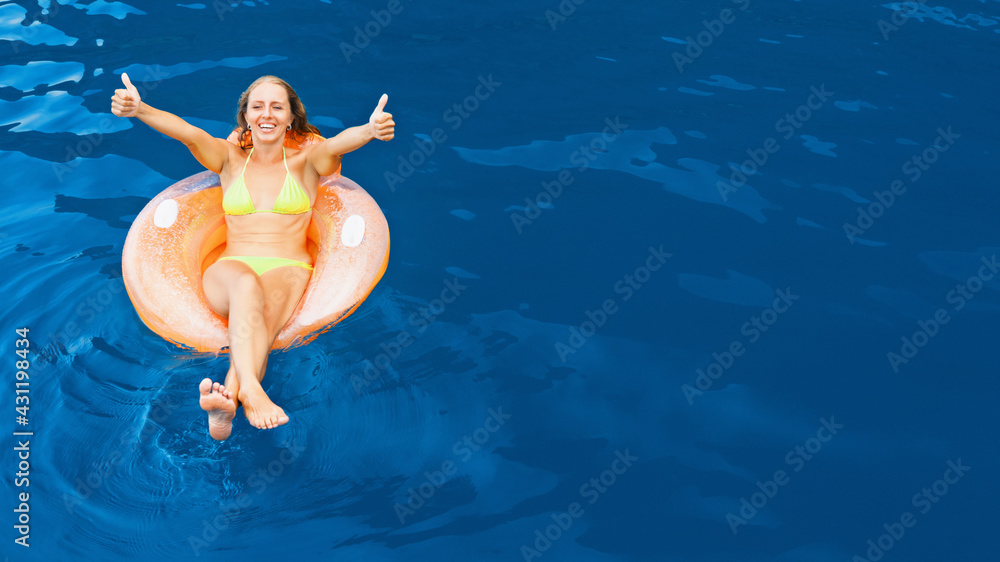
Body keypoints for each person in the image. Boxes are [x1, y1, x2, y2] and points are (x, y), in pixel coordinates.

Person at [111, 74, 394, 440]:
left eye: (277, 107)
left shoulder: (307, 162)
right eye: (257, 106)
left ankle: (227, 403)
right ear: (245, 116)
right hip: (229, 269)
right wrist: (141, 108)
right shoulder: (229, 159)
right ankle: (253, 391)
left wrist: (370, 129)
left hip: (288, 267)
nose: (267, 114)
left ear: (291, 116)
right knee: (246, 286)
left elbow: (339, 144)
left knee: (264, 318)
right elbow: (188, 133)